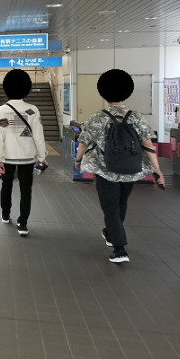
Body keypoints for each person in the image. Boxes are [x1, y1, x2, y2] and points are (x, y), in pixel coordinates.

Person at [75, 69, 165, 263]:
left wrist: (78, 160)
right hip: (130, 169)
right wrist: (158, 170)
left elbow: (83, 142)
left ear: (103, 93)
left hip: (105, 170)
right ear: (126, 92)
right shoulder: (136, 117)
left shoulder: (97, 118)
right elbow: (148, 145)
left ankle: (120, 249)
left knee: (110, 208)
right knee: (121, 204)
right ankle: (111, 233)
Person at [0, 69, 47, 236]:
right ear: (26, 88)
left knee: (6, 186)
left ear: (7, 88)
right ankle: (22, 223)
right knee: (26, 190)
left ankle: (5, 214)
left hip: (7, 157)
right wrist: (42, 156)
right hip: (27, 157)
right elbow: (38, 136)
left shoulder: (0, 111)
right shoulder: (32, 110)